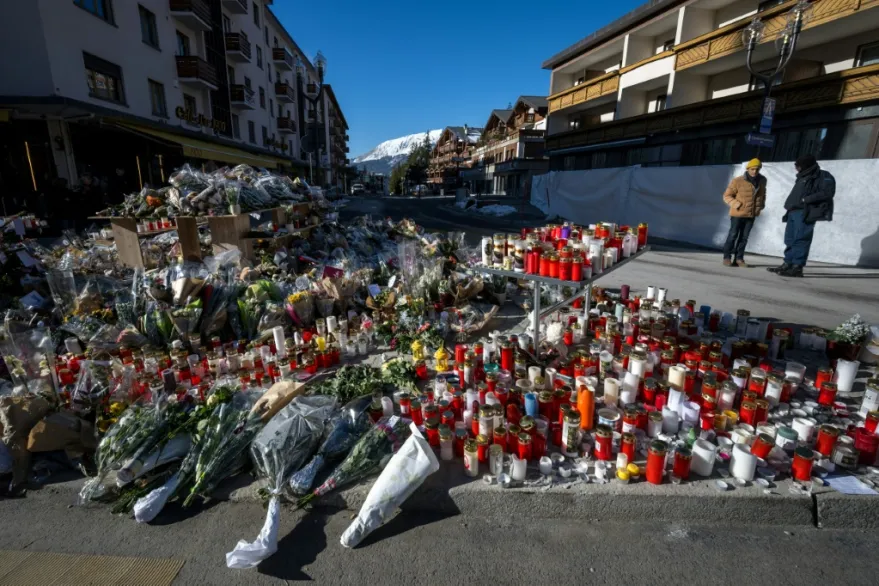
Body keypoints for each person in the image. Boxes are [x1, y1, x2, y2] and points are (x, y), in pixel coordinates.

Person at [767, 154, 836, 278]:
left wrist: (806, 199)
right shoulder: (802, 176)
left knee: (801, 239)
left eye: (798, 166)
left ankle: (797, 267)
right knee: (790, 239)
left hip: (806, 211)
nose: (796, 168)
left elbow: (827, 192)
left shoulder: (823, 176)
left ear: (806, 165)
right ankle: (787, 264)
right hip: (793, 211)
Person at [722, 158, 766, 267]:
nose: (754, 171)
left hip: (751, 214)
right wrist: (737, 205)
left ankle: (739, 258)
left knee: (744, 237)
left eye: (757, 169)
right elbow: (726, 196)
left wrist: (760, 207)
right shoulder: (738, 181)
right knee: (733, 235)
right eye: (752, 169)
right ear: (748, 169)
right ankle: (727, 257)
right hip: (738, 213)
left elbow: (762, 195)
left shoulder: (762, 180)